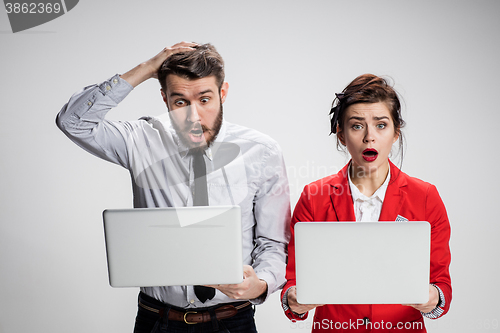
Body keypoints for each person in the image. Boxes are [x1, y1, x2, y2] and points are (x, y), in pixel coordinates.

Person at [56, 42, 291, 332]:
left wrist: (262, 283)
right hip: (157, 321)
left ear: (223, 93)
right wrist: (146, 69)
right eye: (180, 102)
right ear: (165, 98)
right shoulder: (140, 139)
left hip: (233, 321)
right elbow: (73, 121)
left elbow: (273, 242)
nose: (194, 117)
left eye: (205, 100)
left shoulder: (262, 151)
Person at [281, 74, 451, 332]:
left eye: (381, 125)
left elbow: (441, 284)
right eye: (357, 126)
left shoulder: (425, 196)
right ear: (341, 135)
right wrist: (294, 300)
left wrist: (432, 298)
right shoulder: (313, 196)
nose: (370, 137)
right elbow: (292, 281)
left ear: (395, 133)